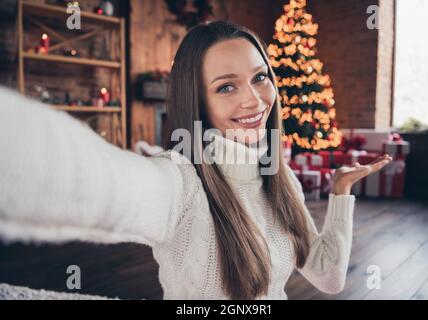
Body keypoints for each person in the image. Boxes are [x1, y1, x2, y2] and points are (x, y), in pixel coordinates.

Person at [0, 21, 392, 300]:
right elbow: (99, 179)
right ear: (197, 100)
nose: (254, 100)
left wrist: (341, 192)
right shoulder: (178, 181)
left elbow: (327, 277)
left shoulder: (279, 175)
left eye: (259, 77)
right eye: (226, 86)